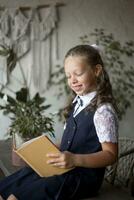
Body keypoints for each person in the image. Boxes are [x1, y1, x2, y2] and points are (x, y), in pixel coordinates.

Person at [0, 44, 118, 200]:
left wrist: (75, 159)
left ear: (96, 71)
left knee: (24, 193)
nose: (72, 80)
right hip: (65, 169)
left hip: (82, 179)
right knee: (21, 177)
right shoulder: (76, 103)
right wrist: (46, 149)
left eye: (78, 73)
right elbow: (71, 143)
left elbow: (111, 155)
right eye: (68, 76)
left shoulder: (103, 111)